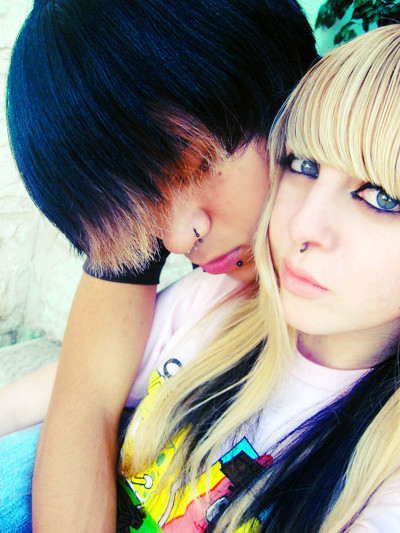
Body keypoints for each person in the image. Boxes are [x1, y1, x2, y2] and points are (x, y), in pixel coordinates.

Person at [1, 0, 317, 531]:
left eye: (201, 165)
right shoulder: (195, 294)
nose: (176, 239)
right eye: (147, 218)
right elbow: (84, 394)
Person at [114, 24, 400, 531]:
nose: (302, 225)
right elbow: (65, 397)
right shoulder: (217, 300)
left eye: (381, 197)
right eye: (303, 165)